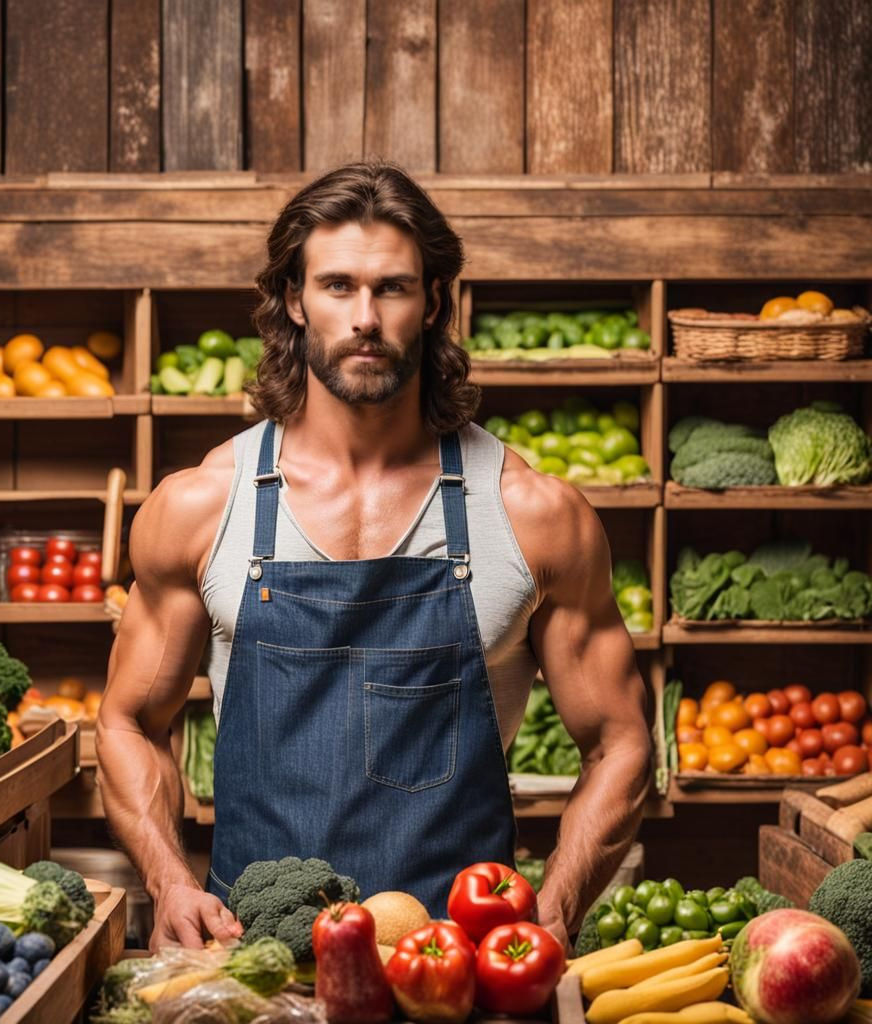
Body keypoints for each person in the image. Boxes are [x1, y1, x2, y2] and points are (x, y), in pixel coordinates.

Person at [97, 161, 651, 953]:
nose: (365, 317)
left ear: (432, 302)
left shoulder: (533, 516)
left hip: (461, 963)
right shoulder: (202, 508)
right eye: (338, 286)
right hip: (254, 958)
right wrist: (170, 881)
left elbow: (620, 741)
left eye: (391, 288)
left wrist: (556, 907)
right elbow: (126, 722)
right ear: (295, 299)